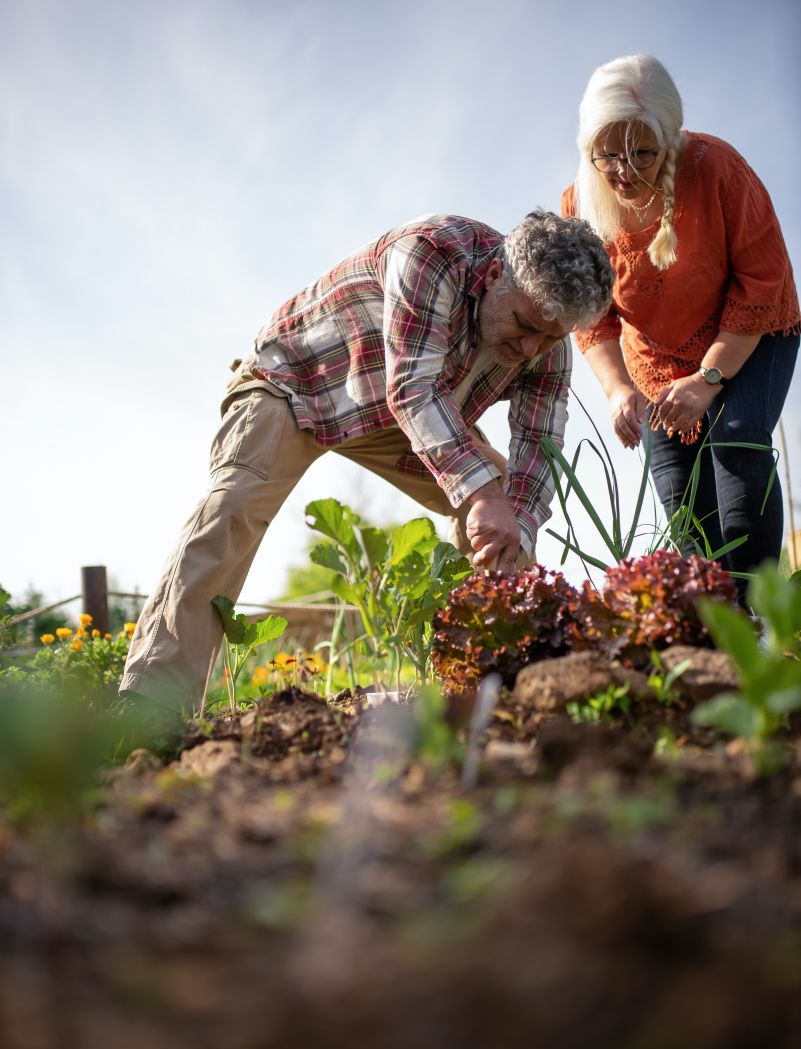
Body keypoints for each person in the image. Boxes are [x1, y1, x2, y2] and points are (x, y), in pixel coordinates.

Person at [120, 209, 614, 709]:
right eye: (524, 325)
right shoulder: (433, 252)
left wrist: (516, 529)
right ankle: (153, 702)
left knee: (505, 518)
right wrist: (483, 493)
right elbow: (414, 388)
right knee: (234, 506)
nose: (533, 347)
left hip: (402, 422)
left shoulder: (547, 339)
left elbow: (540, 441)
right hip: (301, 385)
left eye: (551, 338)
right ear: (492, 278)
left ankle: (492, 688)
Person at [562, 53, 800, 602]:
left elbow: (762, 284)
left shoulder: (718, 168)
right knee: (681, 496)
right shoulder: (580, 203)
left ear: (669, 138)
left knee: (735, 443)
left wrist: (708, 379)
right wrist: (619, 389)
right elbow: (590, 313)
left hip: (749, 330)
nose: (623, 170)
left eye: (641, 152)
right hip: (658, 359)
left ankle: (765, 618)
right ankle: (716, 633)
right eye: (607, 156)